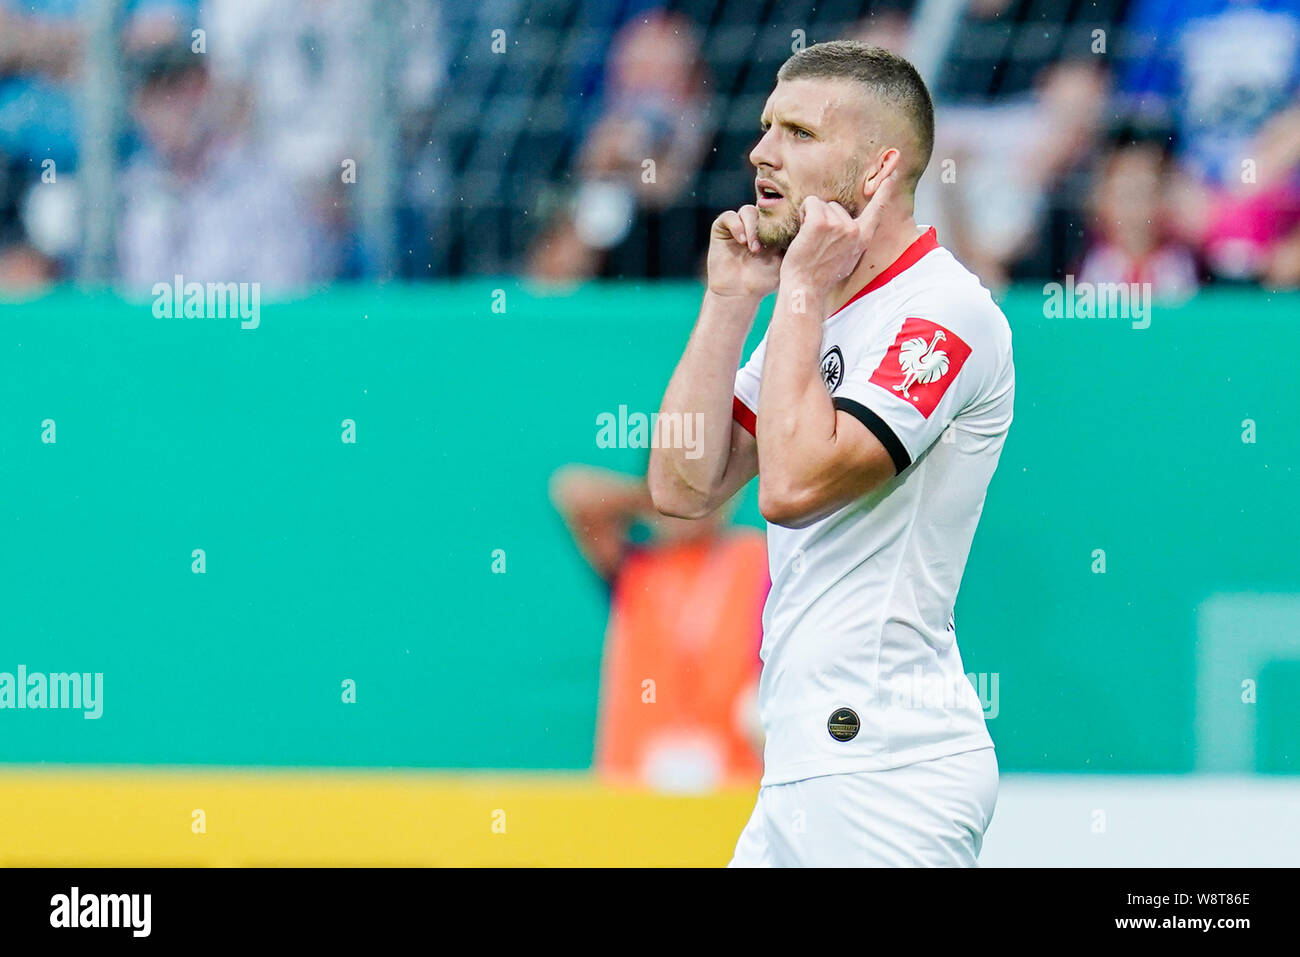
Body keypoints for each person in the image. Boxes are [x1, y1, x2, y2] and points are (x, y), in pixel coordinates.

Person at [648, 41, 1013, 867]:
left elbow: (794, 482)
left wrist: (801, 290)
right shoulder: (806, 310)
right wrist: (729, 303)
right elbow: (679, 482)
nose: (760, 151)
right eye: (766, 126)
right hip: (808, 764)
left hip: (887, 767)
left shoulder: (944, 311)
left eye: (799, 133)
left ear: (878, 169)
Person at [549, 464, 765, 793]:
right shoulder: (633, 566)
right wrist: (669, 499)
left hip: (734, 788)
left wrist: (705, 501)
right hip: (633, 787)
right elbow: (572, 491)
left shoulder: (755, 558)